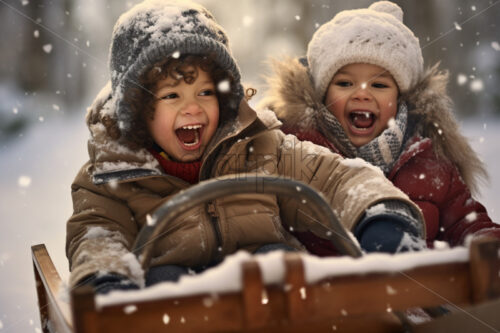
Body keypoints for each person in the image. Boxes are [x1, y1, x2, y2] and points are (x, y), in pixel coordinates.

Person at [66, 0, 425, 294]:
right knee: (164, 280)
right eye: (172, 96)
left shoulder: (260, 146)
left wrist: (379, 213)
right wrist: (107, 279)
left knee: (280, 261)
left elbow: (331, 176)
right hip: (177, 309)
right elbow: (98, 234)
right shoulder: (113, 175)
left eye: (205, 92)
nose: (192, 107)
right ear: (141, 112)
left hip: (267, 304)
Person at [260, 1, 500, 256]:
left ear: (400, 98)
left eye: (379, 86)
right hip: (322, 290)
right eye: (345, 83)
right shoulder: (297, 152)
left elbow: (465, 221)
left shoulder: (431, 164)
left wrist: (487, 243)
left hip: (415, 291)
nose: (362, 93)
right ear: (322, 96)